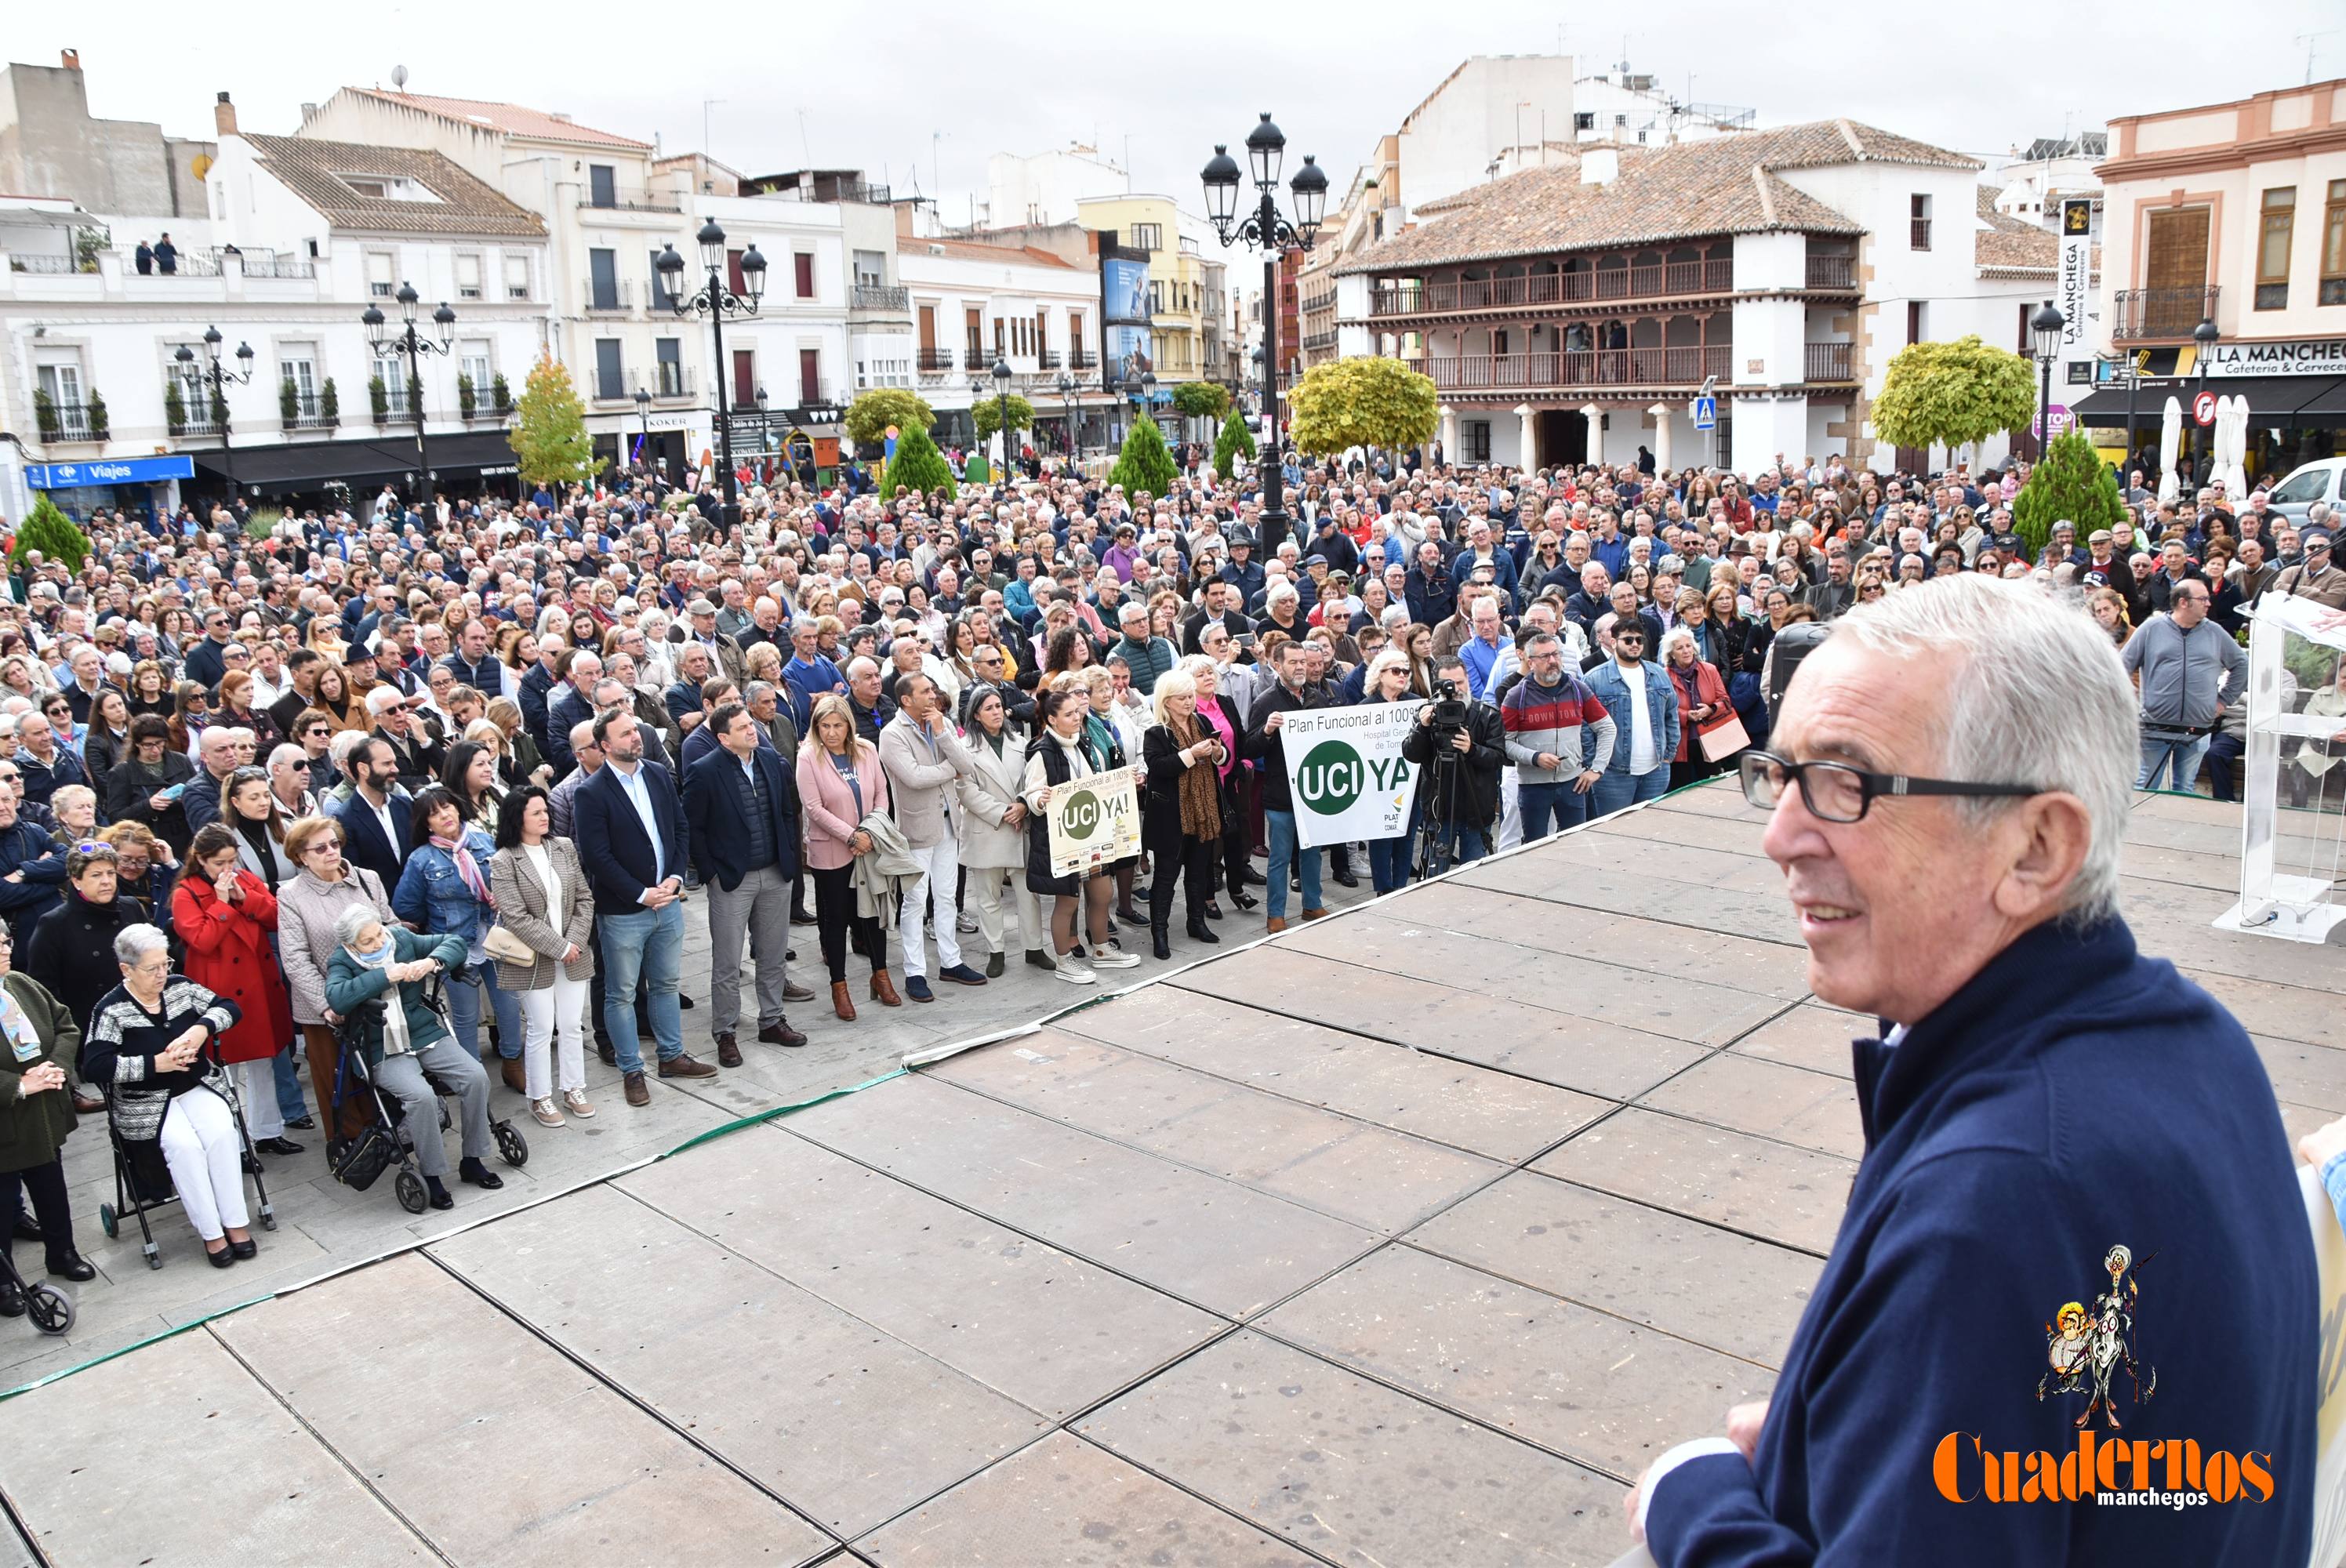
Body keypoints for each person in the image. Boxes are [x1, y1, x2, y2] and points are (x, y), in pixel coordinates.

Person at [1632, 574, 2313, 1566]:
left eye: (1849, 783)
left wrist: (1694, 1498)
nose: (1779, 834)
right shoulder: (2199, 1039)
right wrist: (1853, 1418)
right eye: (1782, 774)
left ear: (2037, 846)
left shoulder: (1998, 1196)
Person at [83, 924, 254, 1267]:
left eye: (166, 964)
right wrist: (154, 1064)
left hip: (196, 1085)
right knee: (185, 1148)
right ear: (126, 970)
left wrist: (201, 1027)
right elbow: (95, 1066)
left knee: (222, 1134)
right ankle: (212, 1233)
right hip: (145, 1102)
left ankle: (236, 1223)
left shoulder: (180, 987)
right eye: (152, 968)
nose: (162, 974)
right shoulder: (111, 1008)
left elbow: (229, 1007)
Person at [569, 707, 711, 1106]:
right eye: (626, 733)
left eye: (635, 730)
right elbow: (597, 857)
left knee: (666, 984)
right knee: (621, 993)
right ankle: (632, 1070)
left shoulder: (657, 775)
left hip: (668, 902)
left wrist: (675, 878)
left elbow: (678, 829)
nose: (636, 737)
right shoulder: (591, 792)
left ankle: (671, 1055)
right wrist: (640, 893)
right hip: (623, 911)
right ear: (605, 746)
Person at [322, 906, 501, 1211]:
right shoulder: (341, 961)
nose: (379, 943)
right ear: (351, 945)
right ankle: (432, 1174)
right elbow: (337, 997)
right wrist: (383, 976)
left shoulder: (400, 938)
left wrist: (432, 961)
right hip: (380, 1046)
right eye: (368, 941)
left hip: (422, 1032)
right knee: (422, 1097)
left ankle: (472, 1159)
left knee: (475, 1077)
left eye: (378, 933)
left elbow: (454, 942)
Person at [682, 702, 810, 1061]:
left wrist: (786, 855)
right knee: (727, 961)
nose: (752, 730)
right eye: (742, 728)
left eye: (750, 724)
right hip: (731, 880)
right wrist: (711, 873)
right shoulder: (704, 771)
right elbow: (693, 827)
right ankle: (725, 1031)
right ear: (724, 738)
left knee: (772, 955)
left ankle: (772, 1020)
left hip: (775, 872)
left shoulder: (771, 761)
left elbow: (787, 812)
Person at [170, 823, 299, 1157]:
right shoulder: (185, 892)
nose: (227, 870)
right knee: (225, 1070)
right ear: (200, 860)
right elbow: (201, 939)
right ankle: (235, 1144)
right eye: (219, 864)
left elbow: (277, 916)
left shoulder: (245, 880)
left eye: (231, 861)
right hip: (217, 991)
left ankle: (268, 1131)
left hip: (257, 984)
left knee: (264, 1061)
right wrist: (223, 903)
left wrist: (247, 899)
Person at [394, 786, 525, 1096]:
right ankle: (472, 1075)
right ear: (427, 824)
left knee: (508, 1004)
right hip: (455, 947)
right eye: (435, 814)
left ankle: (513, 1062)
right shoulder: (421, 859)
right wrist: (433, 928)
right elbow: (406, 908)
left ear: (457, 808)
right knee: (464, 1015)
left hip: (496, 939)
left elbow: (513, 882)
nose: (445, 816)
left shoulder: (483, 841)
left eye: (447, 808)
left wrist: (501, 898)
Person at [277, 815, 394, 1143]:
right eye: (320, 848)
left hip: (377, 994)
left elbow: (391, 924)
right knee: (336, 1080)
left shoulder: (367, 879)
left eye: (334, 844)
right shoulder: (291, 895)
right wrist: (327, 1004)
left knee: (381, 1069)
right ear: (301, 856)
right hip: (328, 1006)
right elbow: (295, 958)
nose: (331, 852)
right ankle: (353, 1149)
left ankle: (390, 1133)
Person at [488, 786, 596, 1128]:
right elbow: (516, 916)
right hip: (534, 959)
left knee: (571, 1025)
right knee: (540, 1027)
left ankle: (574, 1088)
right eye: (536, 812)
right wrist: (559, 947)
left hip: (573, 953)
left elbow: (584, 898)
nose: (544, 816)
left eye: (545, 810)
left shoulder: (562, 848)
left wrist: (574, 942)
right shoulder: (504, 860)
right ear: (517, 818)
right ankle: (540, 1096)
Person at [878, 672, 986, 1000]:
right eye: (925, 691)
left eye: (933, 689)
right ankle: (915, 972)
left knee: (947, 895)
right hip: (916, 830)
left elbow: (967, 764)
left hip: (948, 824)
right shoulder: (892, 734)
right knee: (913, 902)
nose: (933, 695)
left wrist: (942, 733)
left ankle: (950, 961)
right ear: (906, 699)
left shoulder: (939, 724)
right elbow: (913, 777)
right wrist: (948, 770)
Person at [1021, 687, 1140, 985]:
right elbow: (1031, 792)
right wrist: (1039, 799)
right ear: (1051, 719)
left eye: (1078, 711)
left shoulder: (1082, 743)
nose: (1078, 717)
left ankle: (1101, 948)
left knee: (1102, 893)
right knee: (1068, 902)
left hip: (1092, 834)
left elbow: (1099, 781)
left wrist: (1126, 782)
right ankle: (1064, 961)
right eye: (1070, 714)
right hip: (1063, 839)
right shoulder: (1042, 752)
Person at [0, 923, 92, 1308]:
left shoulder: (19, 983)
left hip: (41, 1117)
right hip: (6, 1123)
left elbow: (65, 1025)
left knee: (52, 1189)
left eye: (5, 940)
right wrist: (19, 1085)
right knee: (3, 1205)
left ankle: (62, 1254)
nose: (6, 949)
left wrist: (55, 1067)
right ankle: (3, 1284)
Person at [796, 693, 899, 1019]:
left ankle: (880, 975)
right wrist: (852, 836)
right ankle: (839, 986)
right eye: (824, 726)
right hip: (832, 852)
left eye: (838, 725)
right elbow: (813, 808)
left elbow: (882, 792)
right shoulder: (808, 757)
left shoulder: (867, 750)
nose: (831, 732)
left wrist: (870, 829)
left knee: (872, 914)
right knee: (837, 920)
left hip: (869, 846)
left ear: (848, 725)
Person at [2123, 577, 2243, 792]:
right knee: (2145, 786)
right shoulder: (2151, 628)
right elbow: (2122, 665)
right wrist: (2130, 701)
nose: (2208, 603)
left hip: (2197, 729)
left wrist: (2224, 700)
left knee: (2185, 789)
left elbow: (2242, 665)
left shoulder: (2215, 632)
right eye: (2203, 599)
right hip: (2154, 728)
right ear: (2183, 602)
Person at [955, 685, 1042, 978]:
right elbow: (966, 791)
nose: (996, 712)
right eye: (989, 708)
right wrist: (1005, 812)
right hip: (988, 827)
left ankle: (1035, 948)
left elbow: (1032, 781)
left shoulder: (1019, 741)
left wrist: (1023, 805)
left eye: (998, 706)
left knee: (1028, 892)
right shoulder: (964, 748)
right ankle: (996, 952)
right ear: (976, 715)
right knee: (988, 895)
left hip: (1021, 825)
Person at [1242, 638, 1325, 932]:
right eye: (1294, 662)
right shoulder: (1266, 702)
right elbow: (1248, 749)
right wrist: (1266, 731)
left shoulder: (1317, 697)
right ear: (1277, 666)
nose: (1301, 666)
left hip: (1313, 792)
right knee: (1279, 859)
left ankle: (1312, 904)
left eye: (1303, 661)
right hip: (1281, 795)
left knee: (1312, 853)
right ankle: (1275, 914)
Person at [1140, 670, 1225, 959]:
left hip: (1204, 811)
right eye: (1182, 697)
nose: (1189, 702)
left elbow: (1219, 759)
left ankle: (1196, 922)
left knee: (1199, 874)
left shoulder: (1201, 721)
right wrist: (1191, 754)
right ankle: (1159, 933)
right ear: (1167, 701)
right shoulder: (1156, 733)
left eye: (1191, 696)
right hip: (1172, 817)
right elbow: (1159, 767)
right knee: (1165, 878)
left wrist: (1217, 752)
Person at [1498, 633, 1614, 843]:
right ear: (1530, 662)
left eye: (1555, 654)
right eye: (1544, 657)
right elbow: (1504, 742)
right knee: (1535, 846)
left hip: (1573, 783)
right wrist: (1535, 757)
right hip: (1533, 786)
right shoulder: (1516, 696)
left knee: (1575, 843)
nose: (1552, 661)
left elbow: (1607, 728)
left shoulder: (1579, 689)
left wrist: (1597, 769)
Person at [1400, 654, 1505, 874]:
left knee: (1473, 875)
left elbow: (1498, 758)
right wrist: (1423, 727)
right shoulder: (1426, 714)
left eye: (1459, 682)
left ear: (1468, 680)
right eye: (1447, 684)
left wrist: (1472, 750)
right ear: (1436, 686)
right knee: (1435, 876)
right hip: (1440, 810)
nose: (1455, 689)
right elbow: (1411, 754)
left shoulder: (1487, 715)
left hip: (1477, 808)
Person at [1586, 616, 1680, 815]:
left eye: (1639, 640)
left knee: (1649, 832)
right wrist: (1594, 764)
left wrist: (1668, 756)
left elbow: (1671, 715)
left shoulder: (1659, 674)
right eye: (1628, 640)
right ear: (1613, 642)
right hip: (1612, 773)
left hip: (1656, 770)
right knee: (1615, 833)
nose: (1635, 644)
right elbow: (1585, 726)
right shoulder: (1594, 678)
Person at [327, 736, 414, 891]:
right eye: (387, 764)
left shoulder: (406, 806)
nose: (395, 769)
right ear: (363, 769)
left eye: (394, 762)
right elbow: (353, 875)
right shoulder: (344, 818)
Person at [1661, 625, 1738, 790]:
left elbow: (1725, 700)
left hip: (1710, 739)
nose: (1686, 651)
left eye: (1688, 646)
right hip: (1680, 742)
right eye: (1680, 648)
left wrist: (1711, 709)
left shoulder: (1709, 670)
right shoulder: (1664, 675)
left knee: (1714, 788)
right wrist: (1685, 715)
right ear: (1671, 654)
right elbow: (1661, 709)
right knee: (1681, 789)